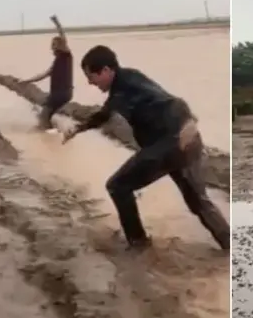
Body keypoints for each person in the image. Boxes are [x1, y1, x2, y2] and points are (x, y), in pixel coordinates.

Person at [62, 45, 230, 251]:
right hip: (185, 143)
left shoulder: (129, 84)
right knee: (199, 202)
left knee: (117, 186)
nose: (90, 82)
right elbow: (104, 114)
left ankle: (138, 243)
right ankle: (229, 246)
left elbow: (173, 102)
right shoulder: (123, 86)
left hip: (171, 143)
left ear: (106, 70)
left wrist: (188, 120)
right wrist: (78, 128)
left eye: (91, 76)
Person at [21, 15, 73, 132]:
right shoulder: (58, 61)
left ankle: (50, 138)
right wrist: (28, 81)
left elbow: (63, 37)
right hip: (64, 94)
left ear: (60, 46)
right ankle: (56, 130)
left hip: (60, 93)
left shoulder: (66, 55)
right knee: (46, 115)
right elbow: (43, 75)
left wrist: (57, 23)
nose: (52, 46)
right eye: (52, 44)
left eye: (54, 44)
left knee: (43, 117)